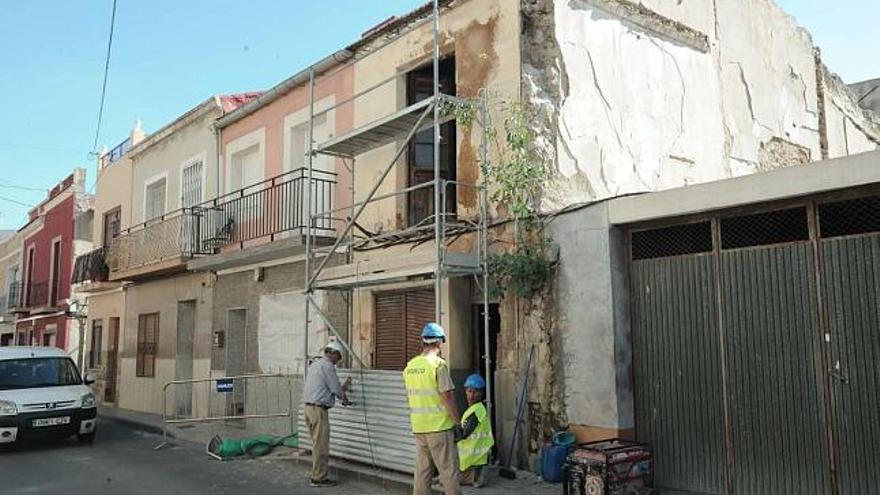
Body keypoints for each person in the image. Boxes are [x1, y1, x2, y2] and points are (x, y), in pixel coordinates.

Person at [403, 323, 461, 495]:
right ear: (439, 343)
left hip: (419, 427)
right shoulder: (438, 365)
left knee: (423, 471)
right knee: (448, 470)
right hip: (439, 428)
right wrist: (458, 423)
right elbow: (447, 397)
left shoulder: (410, 366)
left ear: (423, 342)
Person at [303, 340, 351, 487]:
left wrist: (343, 390)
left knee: (316, 444)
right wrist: (345, 397)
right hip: (318, 410)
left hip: (308, 408)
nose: (338, 361)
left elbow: (326, 387)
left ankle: (316, 474)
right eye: (339, 357)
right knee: (321, 446)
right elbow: (335, 389)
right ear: (333, 354)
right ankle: (318, 478)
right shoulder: (328, 366)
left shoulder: (316, 364)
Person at [456, 374, 494, 487]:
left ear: (481, 393)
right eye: (469, 391)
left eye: (475, 392)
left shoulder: (477, 411)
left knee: (448, 479)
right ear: (465, 391)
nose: (471, 396)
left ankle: (474, 477)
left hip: (474, 460)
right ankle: (473, 476)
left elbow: (463, 434)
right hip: (472, 459)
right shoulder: (475, 410)